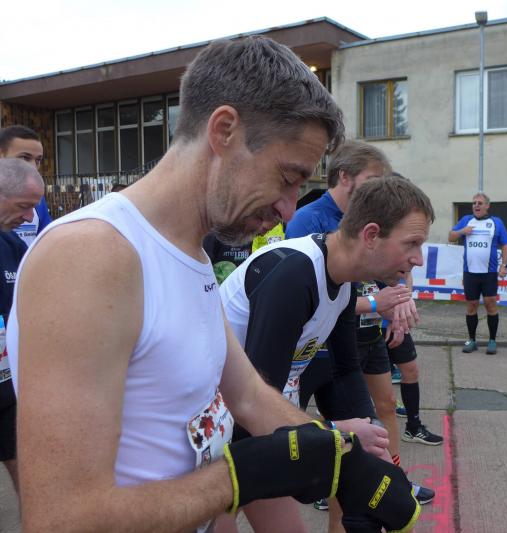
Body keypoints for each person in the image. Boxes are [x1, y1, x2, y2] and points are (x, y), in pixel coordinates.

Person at [7, 37, 419, 533]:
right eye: (288, 177)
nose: (289, 208)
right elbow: (61, 519)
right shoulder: (90, 256)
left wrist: (343, 460)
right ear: (224, 130)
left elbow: (247, 396)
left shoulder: (192, 254)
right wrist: (241, 476)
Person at [219, 176, 434, 532]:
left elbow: (345, 371)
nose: (419, 259)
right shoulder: (295, 275)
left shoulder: (343, 280)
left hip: (259, 425)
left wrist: (373, 444)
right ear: (371, 235)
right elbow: (251, 409)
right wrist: (335, 434)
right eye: (412, 243)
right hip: (216, 431)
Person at [286, 143, 437, 514]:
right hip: (316, 346)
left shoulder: (377, 222)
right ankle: (322, 480)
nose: (380, 189)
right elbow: (309, 301)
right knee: (306, 432)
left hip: (363, 335)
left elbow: (395, 273)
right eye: (372, 180)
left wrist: (399, 303)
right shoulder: (310, 220)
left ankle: (393, 479)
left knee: (380, 411)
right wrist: (375, 303)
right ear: (345, 176)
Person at [0, 159, 43, 503]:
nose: (30, 217)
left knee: (30, 486)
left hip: (7, 389)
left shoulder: (13, 246)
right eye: (23, 206)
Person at [449, 192, 507, 355]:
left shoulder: (496, 222)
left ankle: (492, 341)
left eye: (480, 203)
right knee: (472, 305)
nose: (476, 205)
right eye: (474, 203)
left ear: (487, 206)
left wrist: (504, 265)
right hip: (470, 272)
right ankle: (472, 340)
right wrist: (463, 231)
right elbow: (451, 237)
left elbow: (505, 245)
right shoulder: (466, 220)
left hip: (489, 272)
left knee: (491, 303)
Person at [0, 126, 53, 245]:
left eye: (38, 160)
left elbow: (47, 240)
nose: (33, 166)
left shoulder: (36, 200)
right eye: (24, 157)